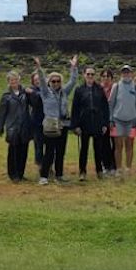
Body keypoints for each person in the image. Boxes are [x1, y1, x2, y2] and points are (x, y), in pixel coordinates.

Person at [33, 55, 79, 185]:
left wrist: (74, 67)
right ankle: (44, 176)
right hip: (50, 126)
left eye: (58, 81)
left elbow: (73, 80)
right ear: (49, 82)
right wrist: (39, 68)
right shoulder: (46, 93)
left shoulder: (64, 92)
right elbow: (41, 80)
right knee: (49, 152)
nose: (56, 83)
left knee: (60, 152)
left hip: (63, 125)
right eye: (53, 81)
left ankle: (59, 175)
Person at [72, 66, 112, 180]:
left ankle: (99, 170)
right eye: (88, 74)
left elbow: (105, 108)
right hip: (84, 123)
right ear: (84, 75)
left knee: (98, 149)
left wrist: (105, 124)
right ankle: (82, 172)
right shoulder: (79, 90)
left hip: (97, 123)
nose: (90, 76)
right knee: (84, 149)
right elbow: (75, 109)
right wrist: (75, 125)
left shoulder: (99, 89)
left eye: (92, 74)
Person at [0, 70, 30, 182]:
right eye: (11, 80)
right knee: (13, 151)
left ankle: (21, 173)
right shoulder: (6, 96)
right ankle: (13, 174)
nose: (14, 82)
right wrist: (0, 126)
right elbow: (2, 113)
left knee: (23, 151)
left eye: (15, 79)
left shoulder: (25, 93)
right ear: (8, 82)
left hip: (24, 126)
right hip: (12, 127)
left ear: (19, 80)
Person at [109, 64, 136, 175]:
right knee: (118, 146)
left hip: (132, 121)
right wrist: (110, 119)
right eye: (124, 72)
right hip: (117, 120)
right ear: (121, 74)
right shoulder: (116, 86)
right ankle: (119, 169)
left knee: (130, 145)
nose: (126, 74)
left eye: (128, 72)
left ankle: (128, 168)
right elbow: (111, 103)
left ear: (131, 74)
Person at [26, 71, 45, 170]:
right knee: (38, 144)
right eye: (35, 80)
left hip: (48, 120)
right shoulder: (30, 90)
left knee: (50, 145)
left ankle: (49, 164)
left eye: (39, 79)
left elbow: (43, 96)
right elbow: (36, 101)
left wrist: (34, 93)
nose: (38, 81)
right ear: (33, 81)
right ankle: (40, 165)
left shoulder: (47, 89)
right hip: (37, 121)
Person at [99, 68, 117, 173]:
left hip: (114, 121)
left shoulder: (116, 89)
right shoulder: (98, 89)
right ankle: (105, 165)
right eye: (104, 76)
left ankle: (113, 166)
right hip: (102, 121)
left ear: (111, 78)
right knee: (104, 144)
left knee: (115, 144)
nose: (106, 79)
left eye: (108, 76)